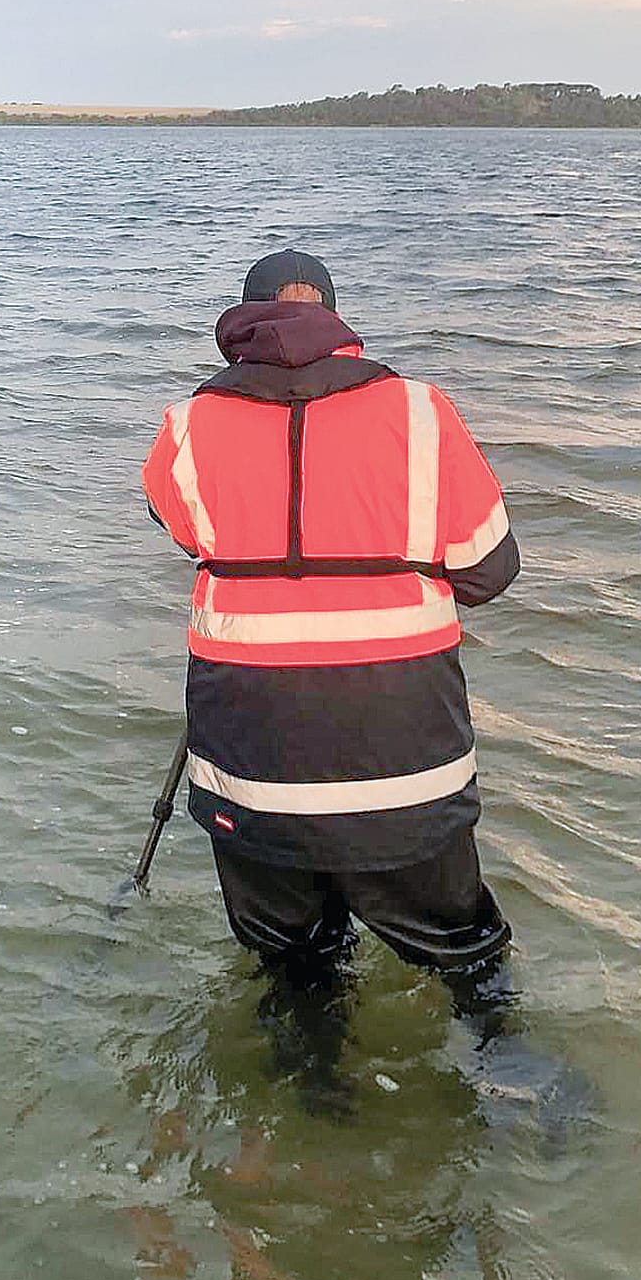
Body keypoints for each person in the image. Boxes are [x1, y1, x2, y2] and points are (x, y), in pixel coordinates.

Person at [141, 249, 522, 1077]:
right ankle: (523, 1105)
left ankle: (318, 1128)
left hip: (253, 781)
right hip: (406, 779)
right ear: (341, 325)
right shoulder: (423, 415)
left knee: (298, 975)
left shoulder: (183, 428)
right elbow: (491, 571)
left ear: (243, 326)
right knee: (468, 963)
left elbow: (185, 530)